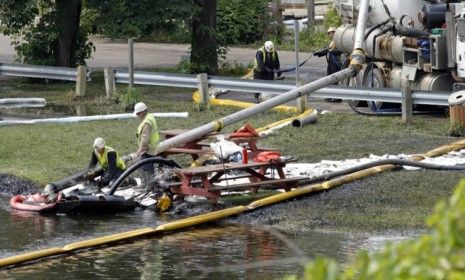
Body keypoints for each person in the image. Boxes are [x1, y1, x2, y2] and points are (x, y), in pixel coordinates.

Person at [134, 102, 160, 185]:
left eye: (138, 114)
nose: (137, 116)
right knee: (148, 167)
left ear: (142, 112)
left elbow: (145, 138)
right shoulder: (150, 117)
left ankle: (149, 186)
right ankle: (148, 185)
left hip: (148, 149)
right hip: (151, 148)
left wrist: (140, 150)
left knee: (147, 168)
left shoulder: (147, 122)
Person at [314, 27, 343, 102]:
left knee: (335, 80)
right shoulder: (332, 42)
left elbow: (337, 51)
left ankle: (337, 98)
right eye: (328, 34)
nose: (329, 35)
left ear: (334, 33)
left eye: (330, 33)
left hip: (336, 63)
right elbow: (327, 50)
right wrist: (319, 53)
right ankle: (331, 96)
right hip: (330, 63)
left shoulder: (338, 42)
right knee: (330, 80)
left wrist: (329, 51)